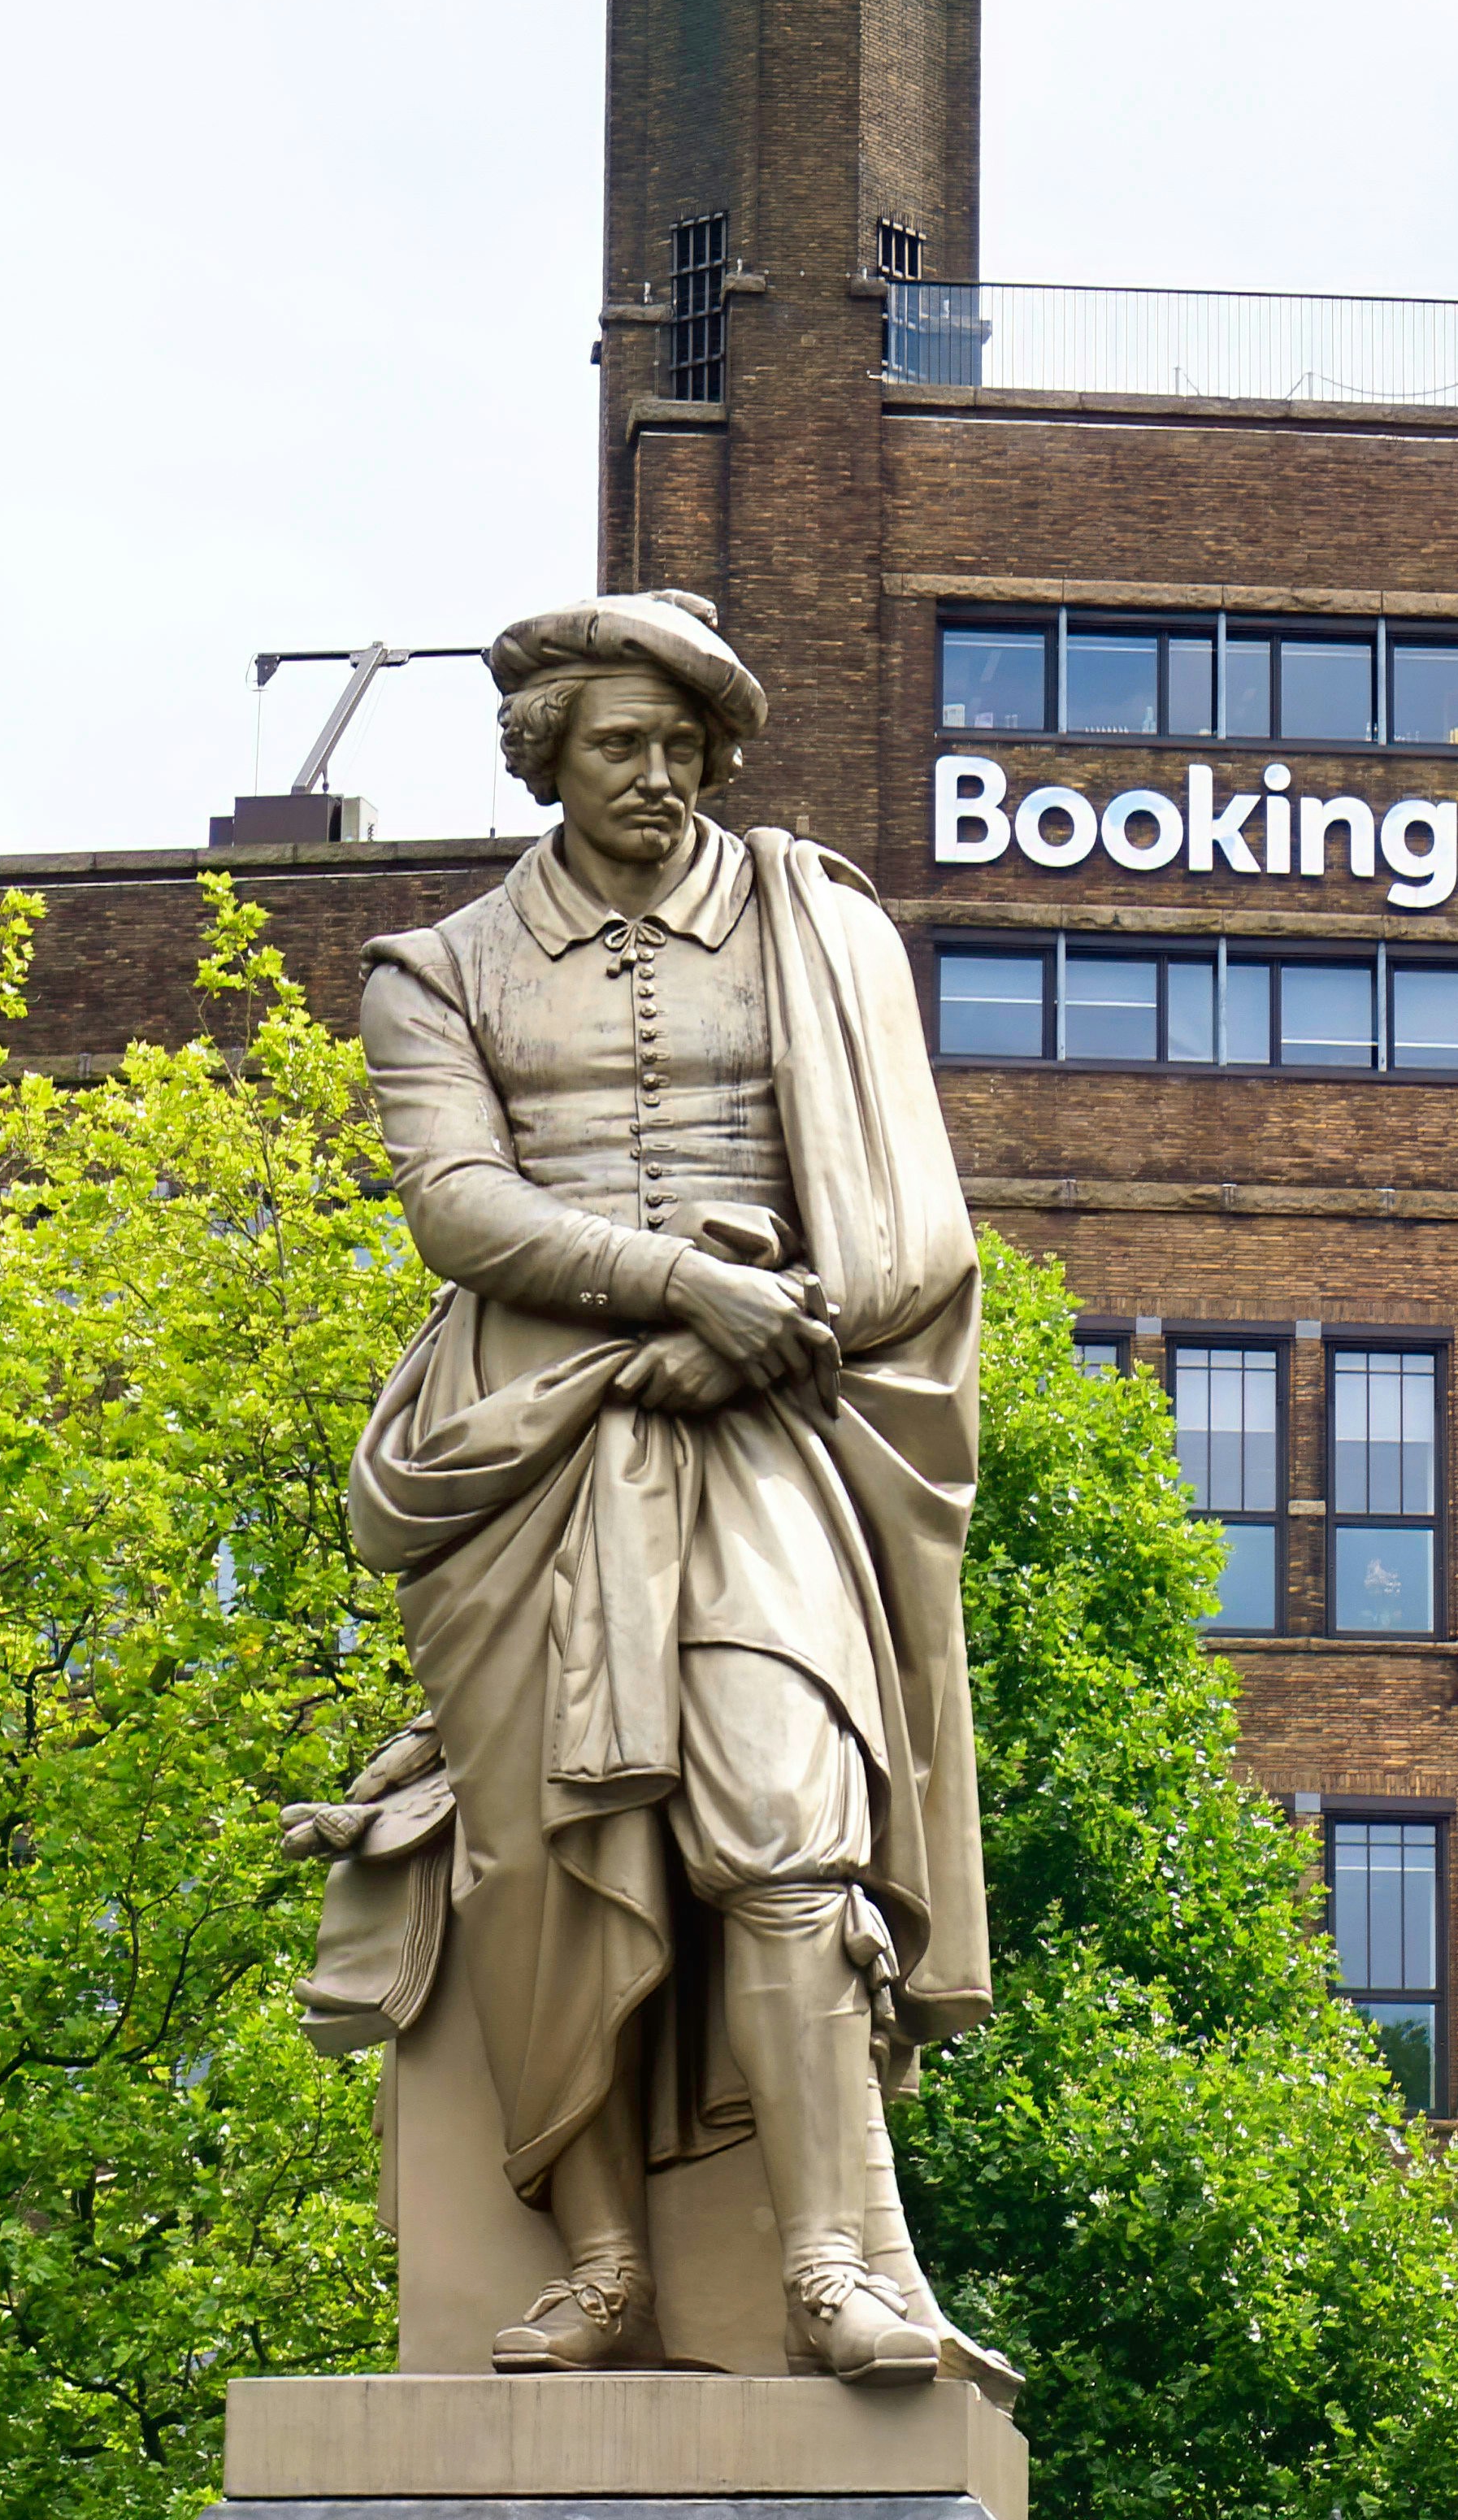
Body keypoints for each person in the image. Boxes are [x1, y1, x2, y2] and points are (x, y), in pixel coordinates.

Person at [286, 589, 1002, 2387]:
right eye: (623, 745)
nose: (662, 778)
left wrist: (776, 1329)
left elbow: (914, 1216)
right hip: (524, 1450)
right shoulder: (436, 969)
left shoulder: (810, 928)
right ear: (546, 755)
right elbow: (457, 1205)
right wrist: (684, 1288)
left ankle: (827, 2266)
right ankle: (601, 2262)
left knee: (785, 1813)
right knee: (542, 1861)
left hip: (768, 1424)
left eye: (687, 747)